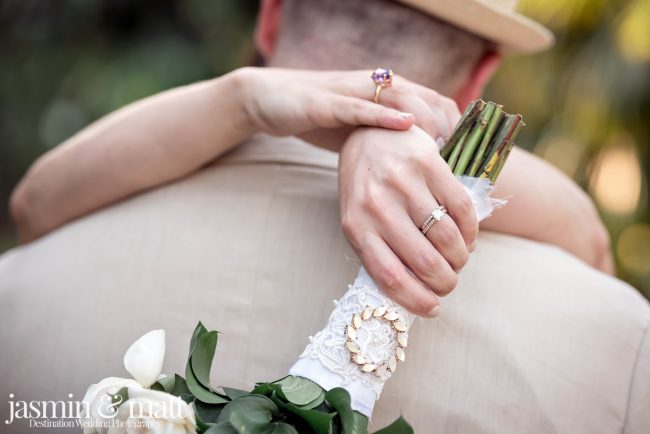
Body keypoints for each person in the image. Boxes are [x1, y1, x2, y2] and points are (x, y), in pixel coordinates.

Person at [0, 0, 648, 432]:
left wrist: (247, 99)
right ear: (481, 73)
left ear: (272, 16)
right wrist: (394, 125)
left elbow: (32, 205)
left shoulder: (20, 289)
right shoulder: (621, 341)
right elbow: (591, 242)